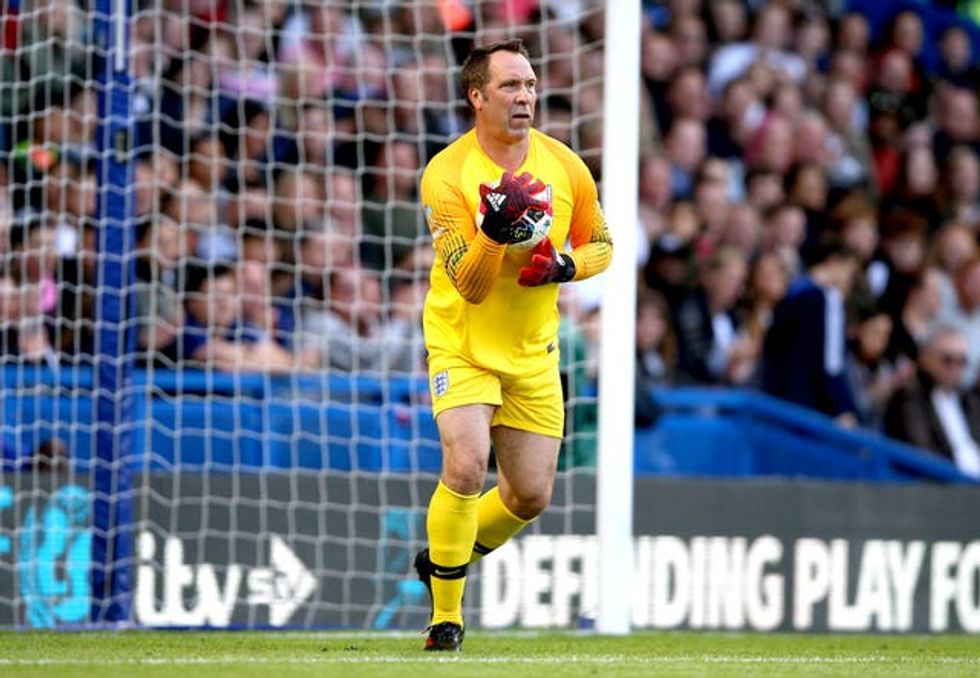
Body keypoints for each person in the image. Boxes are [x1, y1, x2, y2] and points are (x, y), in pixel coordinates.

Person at [414, 39, 612, 651]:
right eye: (510, 86)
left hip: (532, 352)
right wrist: (495, 235)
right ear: (477, 96)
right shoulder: (446, 176)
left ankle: (443, 558)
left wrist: (564, 268)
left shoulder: (565, 166)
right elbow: (469, 287)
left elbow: (602, 244)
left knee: (529, 495)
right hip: (463, 344)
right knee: (467, 465)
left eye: (529, 85)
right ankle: (446, 616)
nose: (525, 96)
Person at [883, 325, 980, 478]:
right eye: (947, 360)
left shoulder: (968, 399)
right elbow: (923, 452)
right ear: (926, 358)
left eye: (962, 361)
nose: (955, 368)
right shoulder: (910, 397)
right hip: (944, 487)